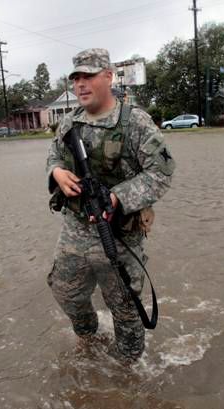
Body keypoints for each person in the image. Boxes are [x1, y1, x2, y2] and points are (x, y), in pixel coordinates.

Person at [45, 48, 175, 362]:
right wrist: (57, 172)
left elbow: (162, 171)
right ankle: (88, 339)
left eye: (88, 75)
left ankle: (129, 371)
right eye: (76, 77)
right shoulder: (69, 123)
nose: (80, 84)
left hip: (118, 232)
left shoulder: (135, 123)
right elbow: (53, 156)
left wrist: (118, 196)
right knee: (66, 292)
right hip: (76, 229)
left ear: (108, 76)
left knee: (125, 306)